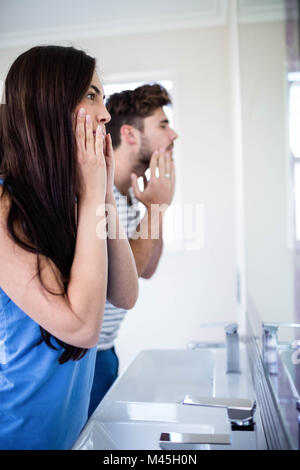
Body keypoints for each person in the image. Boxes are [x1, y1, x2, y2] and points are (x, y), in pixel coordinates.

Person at [0, 45, 138, 450]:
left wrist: (105, 191)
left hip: (65, 437)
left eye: (104, 98)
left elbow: (125, 294)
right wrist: (95, 195)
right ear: (51, 106)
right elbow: (81, 327)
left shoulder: (74, 202)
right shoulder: (6, 207)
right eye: (91, 95)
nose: (105, 114)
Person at [88, 84, 178, 417]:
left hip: (106, 351)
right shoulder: (101, 195)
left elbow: (146, 269)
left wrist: (159, 207)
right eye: (163, 125)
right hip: (84, 359)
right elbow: (123, 286)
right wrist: (155, 208)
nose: (174, 134)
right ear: (128, 134)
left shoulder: (127, 195)